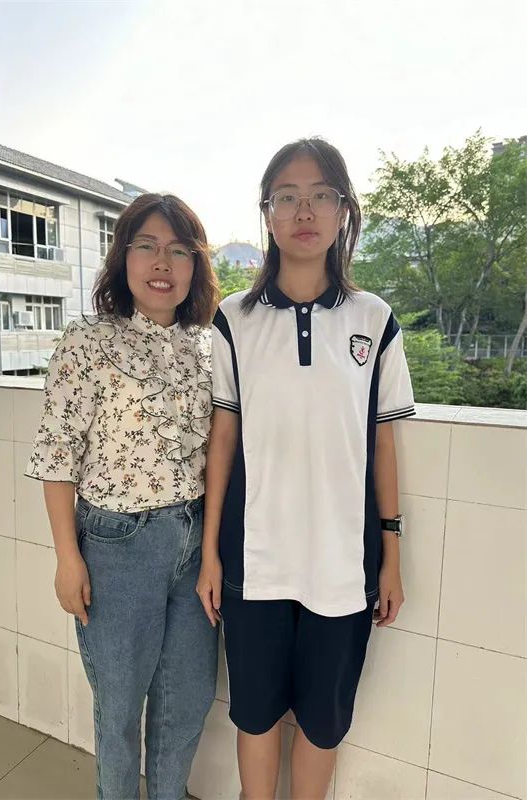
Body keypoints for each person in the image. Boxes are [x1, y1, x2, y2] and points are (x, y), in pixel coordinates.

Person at [197, 137, 415, 800]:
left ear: (344, 210)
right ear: (266, 213)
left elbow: (382, 442)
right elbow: (223, 439)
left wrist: (391, 554)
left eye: (321, 195)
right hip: (254, 560)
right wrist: (210, 553)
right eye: (286, 197)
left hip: (342, 565)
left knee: (323, 723)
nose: (304, 211)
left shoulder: (374, 320)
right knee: (255, 715)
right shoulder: (233, 319)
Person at [26, 193, 220, 800]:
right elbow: (57, 454)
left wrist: (212, 549)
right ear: (123, 257)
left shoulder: (208, 345)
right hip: (118, 545)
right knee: (119, 709)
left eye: (179, 251)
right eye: (147, 246)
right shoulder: (87, 341)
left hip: (195, 542)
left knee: (186, 701)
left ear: (195, 265)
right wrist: (68, 558)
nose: (162, 263)